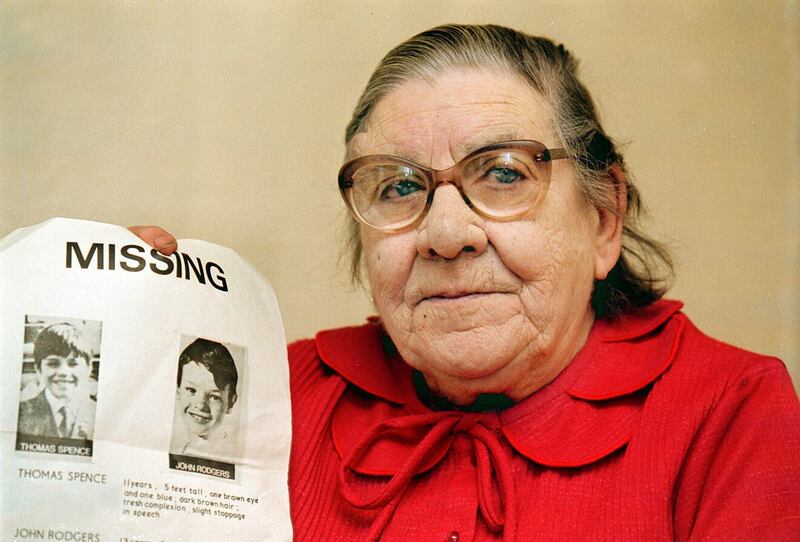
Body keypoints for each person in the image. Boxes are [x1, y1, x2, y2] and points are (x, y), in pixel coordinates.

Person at [133, 24, 800, 541]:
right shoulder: (274, 395)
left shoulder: (730, 413)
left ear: (603, 218)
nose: (446, 234)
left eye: (504, 173)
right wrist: (124, 357)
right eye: (397, 186)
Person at [17, 322, 96, 440]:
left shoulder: (97, 413)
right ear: (38, 369)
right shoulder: (21, 414)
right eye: (53, 363)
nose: (63, 372)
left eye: (73, 363)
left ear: (89, 369)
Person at [170, 338, 239, 460]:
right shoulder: (178, 446)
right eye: (191, 390)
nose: (201, 405)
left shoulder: (231, 454)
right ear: (178, 390)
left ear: (231, 402)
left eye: (214, 397)